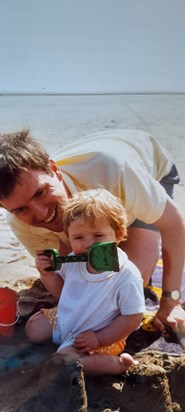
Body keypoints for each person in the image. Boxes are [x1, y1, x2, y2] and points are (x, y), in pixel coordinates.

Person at [0, 128, 185, 335]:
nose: (41, 213)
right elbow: (71, 278)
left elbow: (174, 223)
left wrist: (171, 301)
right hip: (97, 164)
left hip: (145, 168)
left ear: (54, 170)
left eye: (41, 192)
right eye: (20, 209)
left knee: (131, 280)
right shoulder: (19, 223)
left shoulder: (116, 171)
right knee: (92, 267)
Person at [25, 188, 145, 376]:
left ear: (119, 234)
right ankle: (62, 329)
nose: (88, 244)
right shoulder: (73, 260)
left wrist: (99, 338)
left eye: (98, 236)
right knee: (33, 330)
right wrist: (47, 276)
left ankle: (117, 364)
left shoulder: (126, 275)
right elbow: (64, 292)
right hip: (70, 319)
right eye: (79, 238)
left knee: (66, 360)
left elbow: (133, 316)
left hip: (101, 332)